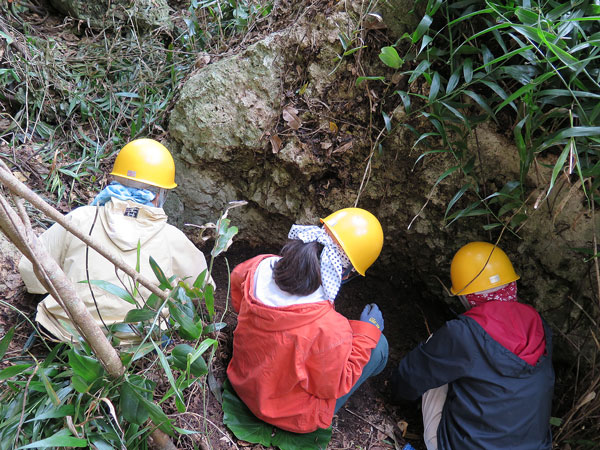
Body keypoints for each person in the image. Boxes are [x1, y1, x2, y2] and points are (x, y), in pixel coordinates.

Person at [19, 138, 213, 344]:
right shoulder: (171, 237)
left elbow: (29, 268)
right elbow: (203, 289)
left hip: (63, 335)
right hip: (137, 344)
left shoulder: (81, 218)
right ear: (159, 195)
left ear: (115, 182)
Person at [226, 208, 388, 433]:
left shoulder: (258, 266)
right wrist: (367, 332)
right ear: (345, 273)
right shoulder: (330, 328)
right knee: (379, 347)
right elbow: (334, 384)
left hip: (243, 379)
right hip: (287, 414)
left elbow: (236, 299)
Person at [391, 241, 554, 450]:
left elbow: (411, 378)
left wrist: (393, 394)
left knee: (438, 358)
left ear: (466, 296)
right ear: (512, 284)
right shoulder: (540, 326)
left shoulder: (463, 333)